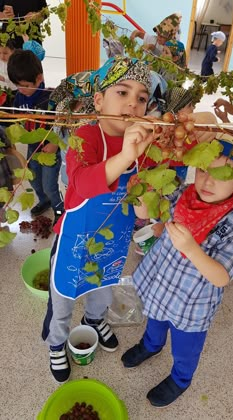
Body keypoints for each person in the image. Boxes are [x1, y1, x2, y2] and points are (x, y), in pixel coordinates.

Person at [41, 56, 159, 383]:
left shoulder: (143, 146)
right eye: (122, 92)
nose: (132, 104)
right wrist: (125, 156)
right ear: (98, 100)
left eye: (141, 98)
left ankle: (94, 321)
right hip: (76, 240)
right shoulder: (86, 137)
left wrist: (146, 194)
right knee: (63, 298)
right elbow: (81, 183)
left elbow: (142, 212)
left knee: (103, 289)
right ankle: (56, 342)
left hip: (113, 242)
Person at [121, 139, 233, 407]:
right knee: (155, 320)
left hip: (191, 303)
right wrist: (140, 196)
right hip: (161, 283)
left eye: (222, 175)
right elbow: (149, 213)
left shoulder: (231, 222)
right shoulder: (183, 193)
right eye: (205, 170)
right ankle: (151, 345)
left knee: (186, 348)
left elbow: (222, 277)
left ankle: (181, 379)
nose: (208, 181)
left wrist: (192, 249)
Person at [7, 49, 64, 222]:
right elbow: (17, 118)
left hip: (49, 149)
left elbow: (62, 122)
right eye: (17, 85)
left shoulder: (51, 98)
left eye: (25, 85)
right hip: (33, 147)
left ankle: (59, 209)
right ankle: (44, 201)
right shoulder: (19, 97)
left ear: (39, 78)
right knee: (34, 180)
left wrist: (54, 144)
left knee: (49, 185)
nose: (21, 90)